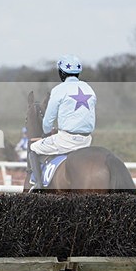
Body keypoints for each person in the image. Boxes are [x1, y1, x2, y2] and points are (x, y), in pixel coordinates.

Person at [28, 54, 96, 191]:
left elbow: (47, 122)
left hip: (66, 140)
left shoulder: (59, 90)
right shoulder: (89, 89)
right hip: (87, 141)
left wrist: (47, 131)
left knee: (33, 149)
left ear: (61, 72)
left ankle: (39, 186)